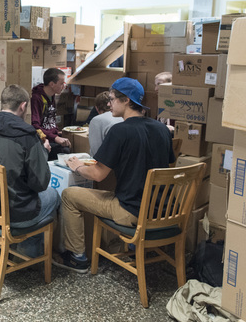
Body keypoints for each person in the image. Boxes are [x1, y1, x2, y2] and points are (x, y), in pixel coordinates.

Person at [55, 78, 175, 272]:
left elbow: (98, 175)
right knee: (115, 192)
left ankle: (77, 257)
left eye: (112, 99)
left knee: (69, 196)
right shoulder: (162, 129)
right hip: (162, 209)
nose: (108, 104)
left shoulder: (120, 131)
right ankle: (116, 246)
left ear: (126, 100)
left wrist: (77, 166)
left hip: (131, 211)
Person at [0, 84, 61, 255]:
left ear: (3, 104)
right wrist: (43, 153)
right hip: (15, 214)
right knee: (54, 195)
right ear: (23, 106)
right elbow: (40, 184)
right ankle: (28, 254)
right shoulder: (28, 137)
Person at [31, 68, 70, 160]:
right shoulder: (36, 98)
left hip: (51, 135)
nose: (63, 86)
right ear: (52, 84)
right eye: (61, 83)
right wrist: (55, 138)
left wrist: (57, 132)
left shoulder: (52, 96)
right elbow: (35, 126)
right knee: (63, 151)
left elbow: (51, 119)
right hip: (43, 139)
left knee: (68, 144)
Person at [88, 91, 123, 158]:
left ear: (96, 108)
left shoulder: (97, 120)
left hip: (108, 165)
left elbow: (96, 153)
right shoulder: (124, 116)